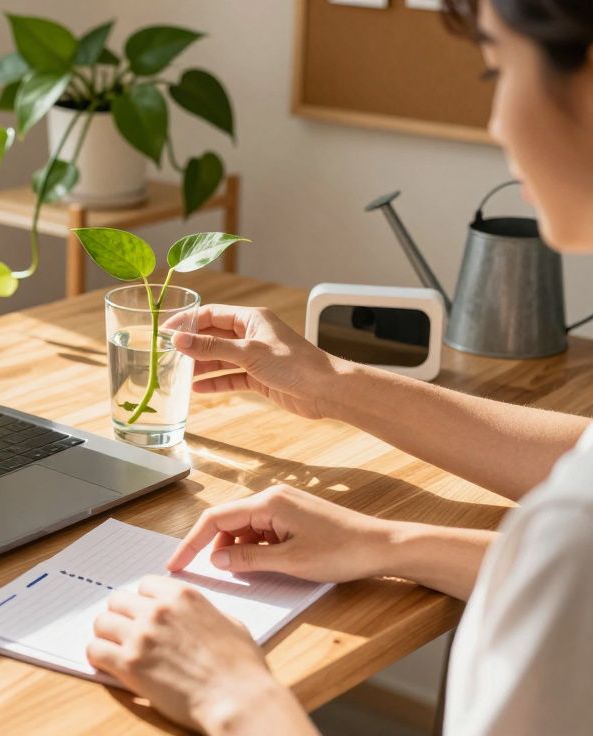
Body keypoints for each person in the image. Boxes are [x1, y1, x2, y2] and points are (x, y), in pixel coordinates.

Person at [84, 0, 593, 733]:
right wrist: (382, 533)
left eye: (496, 67)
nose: (496, 123)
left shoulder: (570, 546)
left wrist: (234, 697)